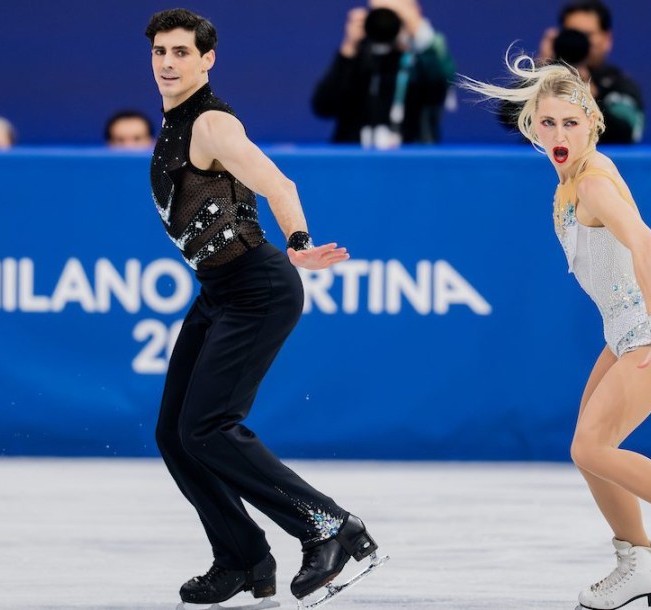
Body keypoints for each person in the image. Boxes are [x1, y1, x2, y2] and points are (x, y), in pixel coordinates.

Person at [461, 57, 651, 609]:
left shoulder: (594, 183)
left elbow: (647, 245)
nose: (559, 134)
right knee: (590, 451)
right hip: (625, 331)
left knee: (591, 444)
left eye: (570, 123)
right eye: (547, 122)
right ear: (531, 125)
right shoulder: (570, 181)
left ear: (592, 121)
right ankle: (639, 564)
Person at [143, 9, 385, 607]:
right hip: (219, 291)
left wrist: (299, 243)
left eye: (181, 52)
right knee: (176, 435)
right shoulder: (175, 121)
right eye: (159, 52)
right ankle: (243, 559)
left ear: (207, 60)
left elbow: (281, 186)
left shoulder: (212, 123)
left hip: (259, 287)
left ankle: (329, 525)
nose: (168, 63)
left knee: (208, 427)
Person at [311, 0, 456, 148]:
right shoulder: (358, 56)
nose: (386, 21)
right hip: (354, 162)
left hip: (411, 162)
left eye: (393, 15)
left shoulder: (420, 59)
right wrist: (348, 48)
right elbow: (323, 106)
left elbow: (440, 87)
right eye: (380, 13)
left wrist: (419, 34)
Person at [535, 1, 644, 144]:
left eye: (587, 35)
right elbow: (508, 116)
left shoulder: (617, 83)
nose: (579, 42)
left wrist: (588, 95)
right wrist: (540, 69)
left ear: (606, 39)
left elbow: (628, 132)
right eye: (573, 34)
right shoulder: (545, 80)